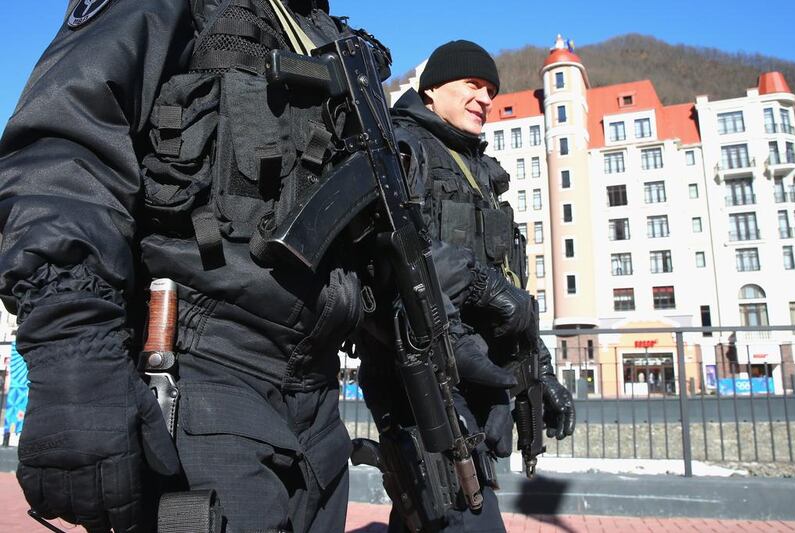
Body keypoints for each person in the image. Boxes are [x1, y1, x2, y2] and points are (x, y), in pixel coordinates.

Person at [0, 0, 395, 531]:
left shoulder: (328, 38)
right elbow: (64, 152)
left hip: (318, 403)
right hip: (203, 380)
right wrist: (76, 350)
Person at [369, 40, 576, 532]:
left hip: (478, 376)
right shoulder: (404, 146)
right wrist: (482, 287)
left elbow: (510, 286)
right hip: (420, 371)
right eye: (473, 85)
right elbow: (391, 247)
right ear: (433, 89)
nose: (485, 99)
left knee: (436, 516)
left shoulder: (480, 173)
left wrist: (539, 370)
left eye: (491, 91)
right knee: (461, 512)